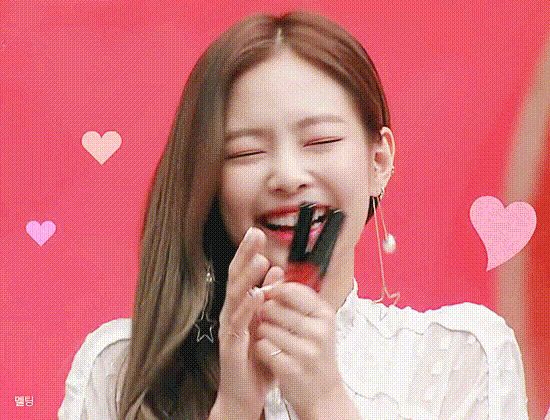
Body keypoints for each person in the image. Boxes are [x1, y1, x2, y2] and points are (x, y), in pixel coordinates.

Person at [58, 10, 529, 420]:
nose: (286, 176)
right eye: (246, 151)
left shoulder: (462, 357)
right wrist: (235, 407)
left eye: (320, 141)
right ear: (209, 181)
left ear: (379, 161)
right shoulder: (118, 369)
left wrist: (324, 402)